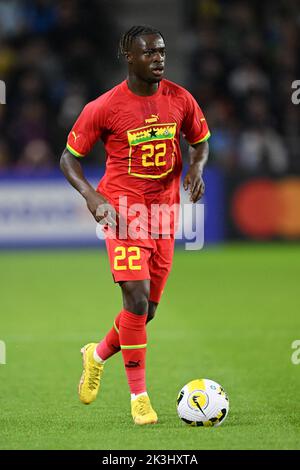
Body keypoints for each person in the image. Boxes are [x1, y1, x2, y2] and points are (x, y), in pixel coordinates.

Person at [60, 25, 210, 425]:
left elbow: (200, 140)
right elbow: (68, 159)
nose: (159, 58)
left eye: (162, 51)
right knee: (136, 299)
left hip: (163, 215)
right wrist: (93, 197)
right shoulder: (105, 107)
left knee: (147, 312)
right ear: (129, 57)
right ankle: (139, 398)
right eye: (149, 53)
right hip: (123, 212)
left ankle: (95, 355)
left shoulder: (180, 98)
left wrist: (196, 166)